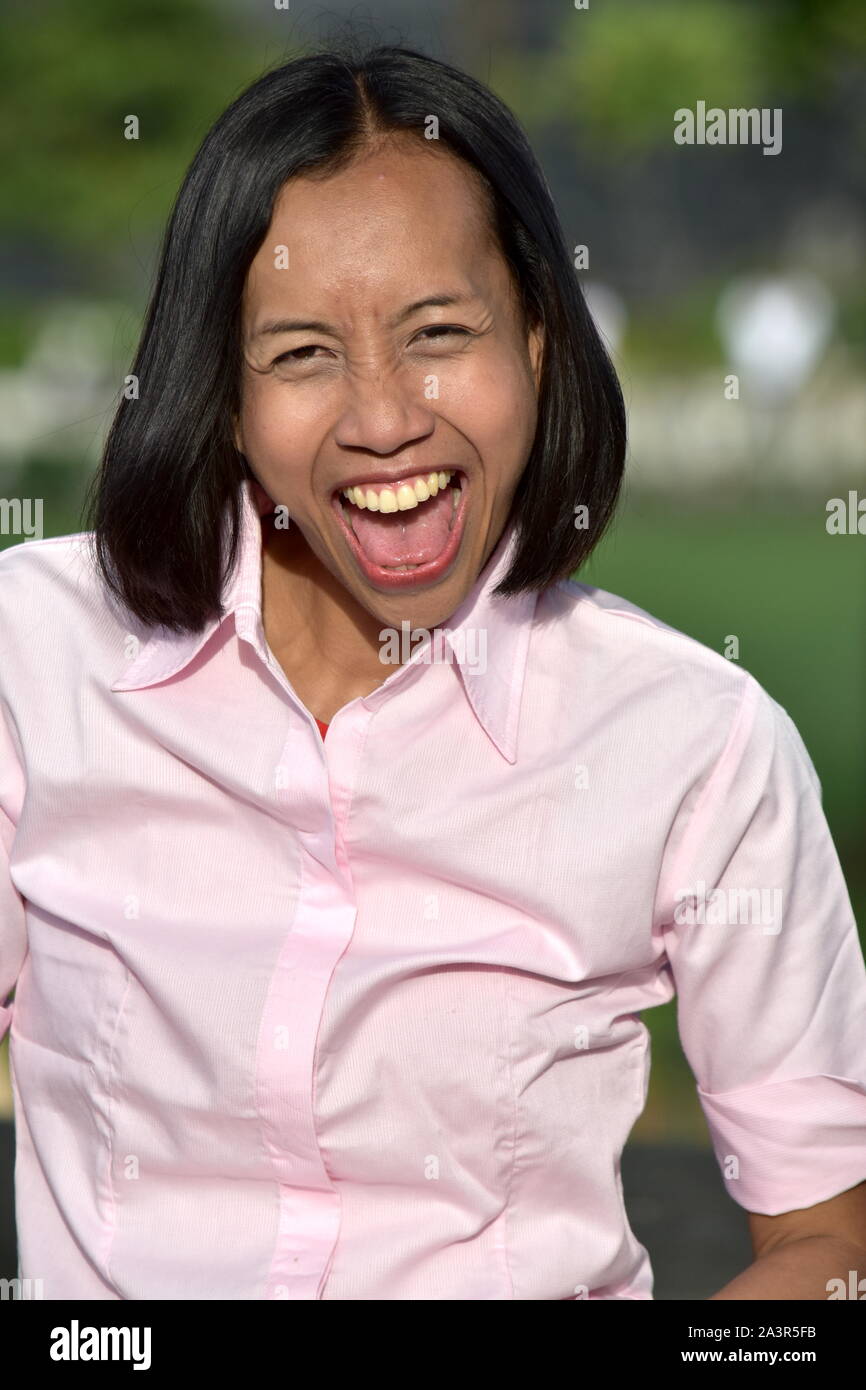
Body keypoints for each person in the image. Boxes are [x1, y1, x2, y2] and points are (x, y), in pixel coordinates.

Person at [1, 39, 864, 1301]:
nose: (385, 416)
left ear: (535, 337)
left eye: (437, 332)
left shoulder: (700, 744)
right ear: (221, 396)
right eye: (300, 354)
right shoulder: (35, 656)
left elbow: (826, 1240)